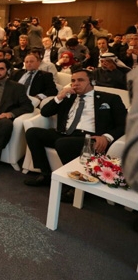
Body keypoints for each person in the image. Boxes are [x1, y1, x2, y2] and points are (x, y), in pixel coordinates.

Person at [24, 69, 126, 200]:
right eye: (73, 80)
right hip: (65, 134)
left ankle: (76, 186)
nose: (75, 83)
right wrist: (59, 96)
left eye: (80, 80)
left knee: (63, 143)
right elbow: (45, 112)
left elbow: (125, 124)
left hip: (90, 138)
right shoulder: (68, 98)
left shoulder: (110, 98)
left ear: (92, 82)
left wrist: (106, 137)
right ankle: (45, 174)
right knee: (32, 133)